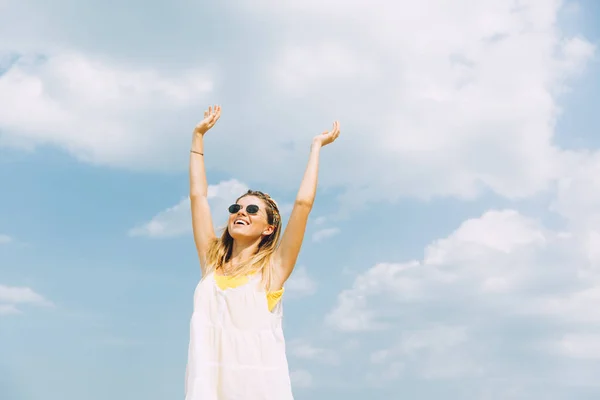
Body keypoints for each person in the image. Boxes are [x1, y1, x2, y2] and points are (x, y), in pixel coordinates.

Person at [185, 105, 341, 399]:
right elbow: (198, 197)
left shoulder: (272, 272)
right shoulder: (211, 263)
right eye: (236, 208)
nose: (240, 212)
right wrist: (197, 137)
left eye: (252, 209)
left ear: (268, 228)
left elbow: (303, 206)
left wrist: (316, 147)